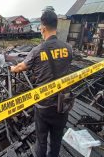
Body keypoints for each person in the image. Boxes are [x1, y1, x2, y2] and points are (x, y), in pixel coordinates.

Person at [10, 9, 73, 157]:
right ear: (56, 26)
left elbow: (20, 67)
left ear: (43, 27)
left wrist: (12, 68)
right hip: (63, 103)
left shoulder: (37, 50)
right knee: (57, 140)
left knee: (42, 141)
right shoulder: (68, 49)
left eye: (40, 27)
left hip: (44, 105)